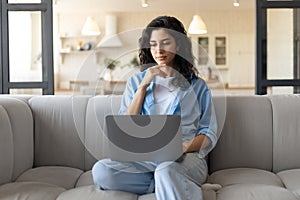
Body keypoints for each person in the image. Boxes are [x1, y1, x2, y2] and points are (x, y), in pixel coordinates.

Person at [92, 15, 218, 200]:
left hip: (186, 158)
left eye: (165, 43)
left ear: (179, 45)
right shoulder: (136, 81)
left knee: (166, 169)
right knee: (102, 171)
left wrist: (184, 146)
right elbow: (127, 126)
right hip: (145, 159)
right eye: (153, 44)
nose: (158, 50)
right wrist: (143, 86)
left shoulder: (197, 86)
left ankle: (171, 179)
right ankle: (175, 185)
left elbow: (209, 133)